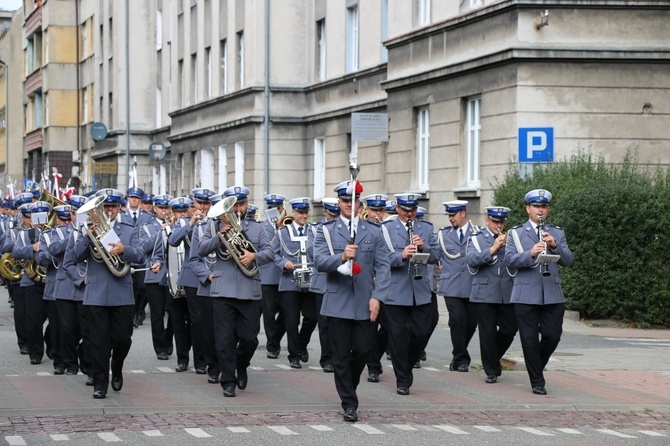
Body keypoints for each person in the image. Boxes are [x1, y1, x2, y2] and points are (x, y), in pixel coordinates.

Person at [313, 180, 391, 422]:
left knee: (363, 351)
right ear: (339, 203)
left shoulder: (374, 231)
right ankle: (349, 402)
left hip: (364, 303)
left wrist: (378, 296)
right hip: (337, 303)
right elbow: (319, 261)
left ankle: (349, 386)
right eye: (345, 200)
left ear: (360, 203)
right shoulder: (325, 231)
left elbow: (384, 266)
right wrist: (341, 256)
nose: (349, 204)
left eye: (353, 200)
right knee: (339, 357)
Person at [198, 185, 274, 397]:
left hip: (249, 289)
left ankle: (241, 364)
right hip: (223, 291)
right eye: (233, 205)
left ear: (247, 204)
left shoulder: (258, 228)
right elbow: (201, 250)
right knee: (224, 340)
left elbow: (270, 253)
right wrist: (218, 238)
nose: (238, 209)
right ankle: (228, 380)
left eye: (241, 204)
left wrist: (253, 257)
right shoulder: (213, 226)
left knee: (250, 339)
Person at [73, 188, 146, 399]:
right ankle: (100, 382)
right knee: (98, 341)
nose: (109, 210)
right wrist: (88, 235)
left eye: (113, 206)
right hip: (96, 293)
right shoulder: (87, 228)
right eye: (105, 207)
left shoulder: (129, 229)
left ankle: (118, 364)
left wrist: (125, 250)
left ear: (119, 207)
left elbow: (140, 255)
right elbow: (76, 256)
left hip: (121, 291)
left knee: (123, 338)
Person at [505, 189, 574, 395]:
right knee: (529, 339)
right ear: (528, 209)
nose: (540, 210)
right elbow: (509, 260)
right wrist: (530, 253)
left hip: (552, 293)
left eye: (543, 207)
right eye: (536, 206)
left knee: (553, 336)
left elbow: (568, 260)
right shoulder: (516, 233)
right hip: (525, 293)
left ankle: (534, 365)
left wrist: (554, 245)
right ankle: (537, 380)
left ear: (548, 210)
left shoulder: (557, 232)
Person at [379, 193, 440, 395]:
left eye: (412, 210)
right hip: (395, 291)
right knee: (397, 337)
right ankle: (402, 380)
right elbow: (379, 259)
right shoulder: (386, 229)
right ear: (397, 208)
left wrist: (424, 247)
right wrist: (401, 255)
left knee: (422, 332)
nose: (409, 214)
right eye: (405, 210)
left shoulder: (427, 228)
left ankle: (407, 365)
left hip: (420, 290)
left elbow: (437, 256)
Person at [466, 206, 517, 384]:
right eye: (495, 221)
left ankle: (492, 358)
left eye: (502, 221)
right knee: (487, 333)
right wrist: (493, 249)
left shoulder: (512, 239)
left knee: (510, 328)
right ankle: (491, 370)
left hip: (506, 292)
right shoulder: (477, 238)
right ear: (487, 220)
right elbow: (471, 261)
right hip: (484, 292)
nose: (499, 225)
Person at [273, 197, 318, 369]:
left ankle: (301, 344)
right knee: (291, 321)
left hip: (310, 280)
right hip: (289, 282)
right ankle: (294, 355)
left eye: (306, 212)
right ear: (293, 212)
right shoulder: (282, 233)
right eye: (300, 212)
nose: (304, 216)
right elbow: (274, 255)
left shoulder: (314, 231)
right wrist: (283, 263)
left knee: (312, 317)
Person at [438, 200, 479, 372]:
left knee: (470, 323)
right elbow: (433, 253)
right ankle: (462, 358)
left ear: (463, 213)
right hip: (451, 285)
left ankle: (457, 353)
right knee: (457, 320)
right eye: (448, 215)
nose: (450, 219)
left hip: (471, 284)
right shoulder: (443, 234)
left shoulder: (477, 233)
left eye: (453, 215)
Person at [307, 197, 340, 373]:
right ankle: (327, 358)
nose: (334, 218)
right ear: (325, 212)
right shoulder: (316, 230)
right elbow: (314, 254)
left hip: (343, 281)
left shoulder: (346, 229)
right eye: (331, 214)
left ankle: (341, 355)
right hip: (323, 282)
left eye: (337, 214)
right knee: (325, 322)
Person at [361, 193, 390, 382]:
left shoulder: (389, 229)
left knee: (389, 327)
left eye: (380, 210)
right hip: (368, 286)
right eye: (374, 210)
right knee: (370, 329)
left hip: (387, 286)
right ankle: (372, 366)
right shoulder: (363, 229)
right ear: (366, 210)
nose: (377, 214)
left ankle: (376, 357)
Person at [259, 193, 287, 359]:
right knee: (269, 314)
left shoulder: (287, 225)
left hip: (284, 274)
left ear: (282, 208)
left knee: (286, 313)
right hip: (268, 275)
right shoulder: (261, 227)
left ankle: (275, 339)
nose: (274, 211)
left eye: (277, 207)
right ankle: (272, 346)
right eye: (271, 208)